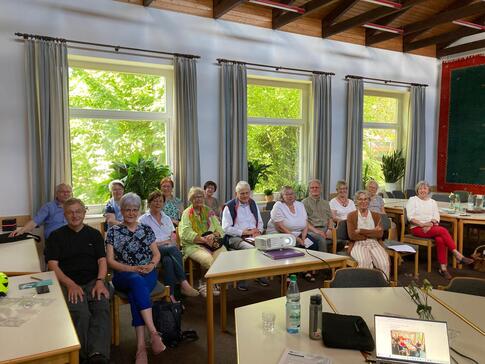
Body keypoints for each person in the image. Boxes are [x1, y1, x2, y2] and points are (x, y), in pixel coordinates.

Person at [45, 198, 110, 364]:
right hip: (68, 282)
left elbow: (102, 261)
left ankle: (97, 355)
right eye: (70, 212)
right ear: (64, 215)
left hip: (94, 281)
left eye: (78, 211)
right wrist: (70, 284)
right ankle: (82, 356)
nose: (75, 215)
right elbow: (52, 265)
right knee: (81, 312)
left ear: (84, 213)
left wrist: (100, 281)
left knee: (101, 307)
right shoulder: (56, 236)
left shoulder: (94, 234)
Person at [105, 193, 165, 364]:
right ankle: (153, 332)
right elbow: (110, 260)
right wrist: (131, 268)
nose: (131, 213)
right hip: (123, 275)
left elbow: (156, 253)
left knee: (135, 292)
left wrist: (152, 265)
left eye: (134, 209)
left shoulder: (146, 229)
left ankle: (141, 347)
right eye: (127, 210)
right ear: (121, 211)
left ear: (139, 211)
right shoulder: (113, 231)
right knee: (135, 281)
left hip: (148, 272)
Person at [406, 181, 473, 280]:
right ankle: (457, 254)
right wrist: (423, 224)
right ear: (417, 190)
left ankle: (443, 268)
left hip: (431, 227)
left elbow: (436, 217)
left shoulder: (433, 202)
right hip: (417, 228)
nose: (422, 190)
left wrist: (431, 224)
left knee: (440, 239)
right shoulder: (412, 200)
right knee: (443, 230)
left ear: (428, 190)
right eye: (420, 188)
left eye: (424, 188)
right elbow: (410, 217)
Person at [139, 190, 199, 302]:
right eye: (155, 201)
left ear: (163, 204)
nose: (158, 203)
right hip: (151, 251)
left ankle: (170, 295)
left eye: (160, 201)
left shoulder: (166, 218)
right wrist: (164, 243)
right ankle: (183, 282)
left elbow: (173, 235)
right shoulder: (143, 220)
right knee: (172, 248)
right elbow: (144, 243)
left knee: (168, 261)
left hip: (167, 250)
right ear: (149, 203)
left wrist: (169, 242)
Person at [222, 180, 268, 291]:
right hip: (235, 237)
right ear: (236, 194)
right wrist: (243, 232)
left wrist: (259, 231)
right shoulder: (229, 206)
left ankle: (259, 274)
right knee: (251, 249)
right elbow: (226, 228)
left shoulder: (253, 203)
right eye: (242, 193)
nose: (245, 195)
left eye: (247, 193)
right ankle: (242, 279)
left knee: (267, 245)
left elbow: (260, 222)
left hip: (254, 235)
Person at [179, 187, 226, 297]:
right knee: (208, 259)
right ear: (191, 199)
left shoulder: (209, 211)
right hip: (193, 245)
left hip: (211, 243)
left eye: (200, 196)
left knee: (224, 255)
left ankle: (213, 282)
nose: (198, 199)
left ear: (203, 198)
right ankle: (204, 283)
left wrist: (213, 235)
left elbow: (220, 229)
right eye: (195, 197)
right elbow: (185, 233)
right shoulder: (187, 213)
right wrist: (202, 239)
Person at [267, 186, 319, 281]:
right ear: (282, 196)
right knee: (290, 246)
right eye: (287, 194)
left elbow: (305, 222)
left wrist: (303, 237)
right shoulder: (278, 205)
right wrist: (297, 239)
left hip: (298, 232)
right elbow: (280, 227)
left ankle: (306, 270)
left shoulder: (300, 205)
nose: (290, 196)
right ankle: (288, 273)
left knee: (312, 244)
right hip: (280, 233)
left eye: (291, 194)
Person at [347, 190, 390, 278]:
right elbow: (352, 236)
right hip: (358, 243)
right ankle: (364, 289)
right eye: (360, 199)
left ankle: (383, 287)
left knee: (384, 263)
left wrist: (361, 231)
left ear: (369, 201)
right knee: (364, 262)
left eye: (366, 199)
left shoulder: (376, 215)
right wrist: (373, 231)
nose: (363, 202)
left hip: (374, 242)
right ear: (356, 201)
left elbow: (379, 234)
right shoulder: (351, 215)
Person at [302, 179, 334, 252]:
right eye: (312, 187)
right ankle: (324, 261)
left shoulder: (326, 203)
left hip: (326, 229)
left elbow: (330, 218)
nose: (314, 189)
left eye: (317, 187)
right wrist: (317, 231)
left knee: (342, 238)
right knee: (321, 239)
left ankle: (336, 260)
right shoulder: (304, 203)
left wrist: (329, 229)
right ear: (309, 190)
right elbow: (304, 221)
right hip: (311, 230)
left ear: (320, 189)